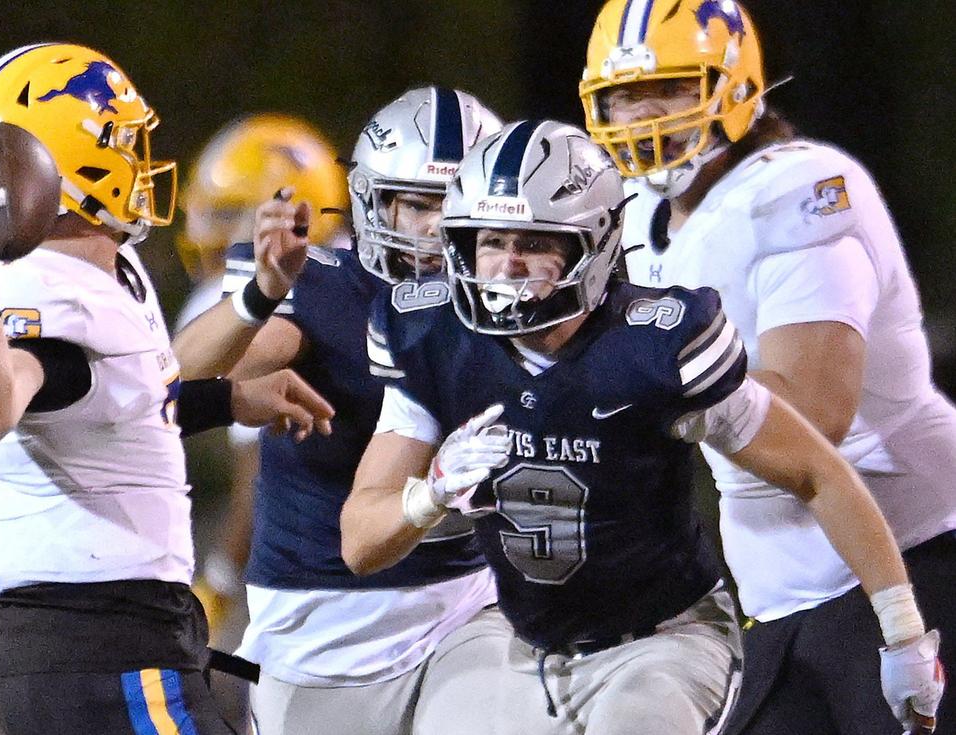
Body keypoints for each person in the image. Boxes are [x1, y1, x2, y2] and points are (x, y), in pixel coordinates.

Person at [340, 119, 943, 734]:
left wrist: (903, 635)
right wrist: (430, 494)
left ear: (592, 246)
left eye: (535, 243)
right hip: (521, 645)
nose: (508, 266)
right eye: (491, 241)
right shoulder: (431, 339)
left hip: (662, 641)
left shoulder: (655, 349)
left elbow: (820, 475)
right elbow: (360, 544)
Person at [0, 43, 333, 735]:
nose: (136, 156)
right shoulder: (39, 290)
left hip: (121, 634)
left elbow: (128, 398)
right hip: (102, 642)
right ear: (53, 163)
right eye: (119, 139)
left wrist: (234, 385)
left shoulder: (105, 268)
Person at [579, 1, 954, 731]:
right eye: (623, 94)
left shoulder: (795, 191)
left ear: (736, 86)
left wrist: (638, 388)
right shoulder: (624, 218)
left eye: (673, 87)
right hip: (777, 599)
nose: (644, 112)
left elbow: (813, 414)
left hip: (914, 562)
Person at [172, 87, 506, 735]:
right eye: (418, 205)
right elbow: (186, 371)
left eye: (458, 203)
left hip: (467, 603)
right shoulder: (322, 284)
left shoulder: (527, 294)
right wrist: (260, 295)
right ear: (374, 201)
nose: (440, 227)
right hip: (323, 617)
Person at [173, 114, 351, 644]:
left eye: (229, 213)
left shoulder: (263, 299)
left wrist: (221, 580)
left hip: (319, 568)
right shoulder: (367, 272)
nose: (208, 231)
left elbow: (259, 470)